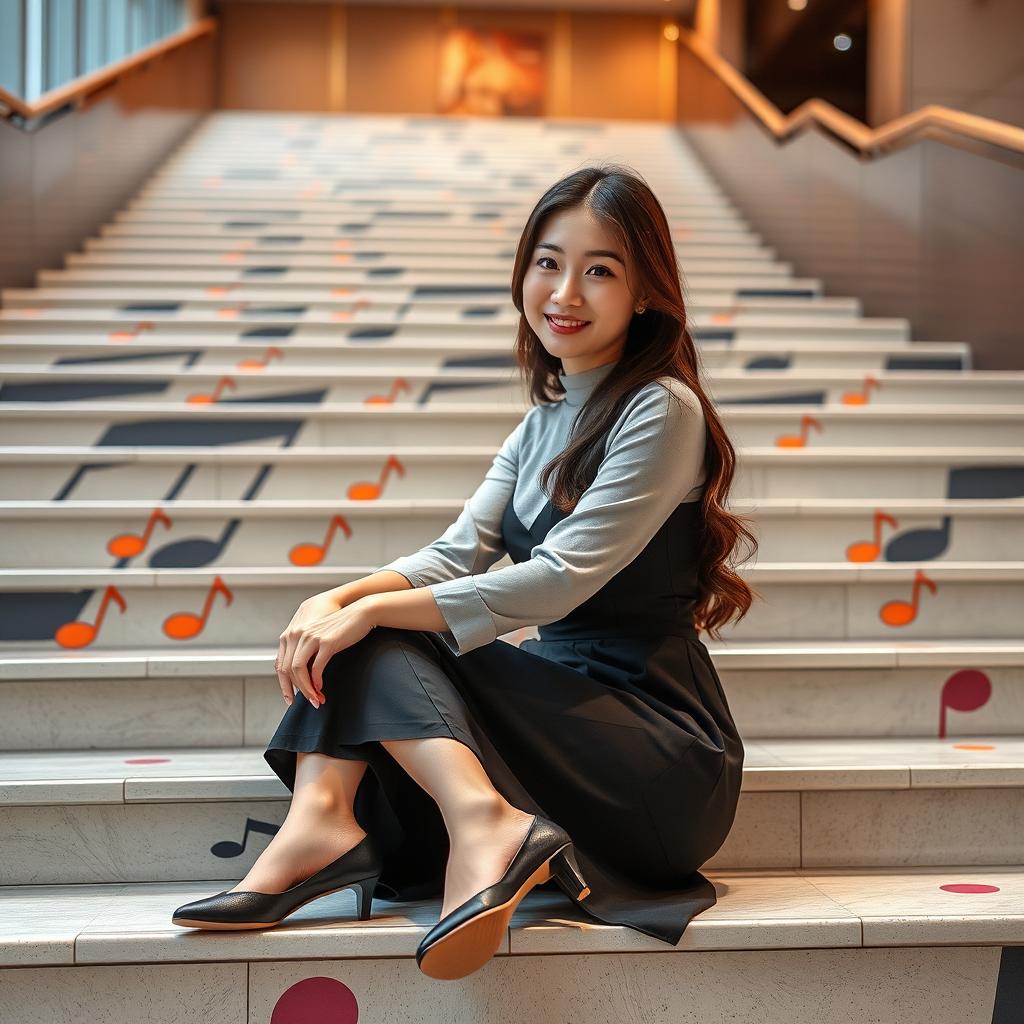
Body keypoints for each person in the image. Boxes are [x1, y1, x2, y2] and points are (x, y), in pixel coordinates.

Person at [172, 164, 757, 982]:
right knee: (368, 629)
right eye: (548, 262)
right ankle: (326, 818)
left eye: (600, 270)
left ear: (647, 292)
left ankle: (467, 821)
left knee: (386, 637)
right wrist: (335, 597)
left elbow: (557, 581)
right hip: (567, 717)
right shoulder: (541, 423)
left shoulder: (661, 408)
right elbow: (450, 557)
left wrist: (368, 615)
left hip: (655, 752)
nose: (565, 290)